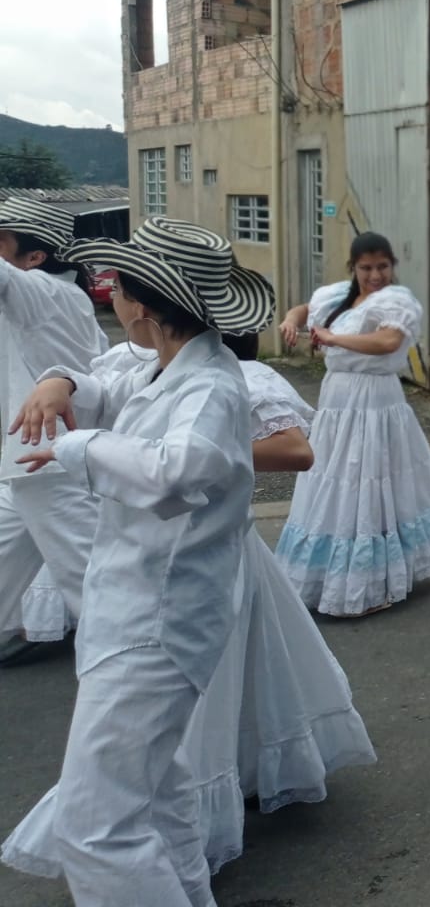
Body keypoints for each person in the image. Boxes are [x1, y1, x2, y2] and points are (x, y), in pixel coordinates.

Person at [4, 329, 376, 878]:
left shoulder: (231, 380)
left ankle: (172, 826)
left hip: (213, 559)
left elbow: (295, 449)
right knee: (192, 705)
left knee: (215, 688)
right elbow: (102, 387)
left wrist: (208, 451)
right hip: (165, 559)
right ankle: (172, 831)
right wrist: (58, 380)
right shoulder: (152, 370)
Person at [4, 217, 269, 905]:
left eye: (115, 287)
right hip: (137, 613)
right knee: (155, 799)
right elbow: (106, 386)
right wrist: (62, 382)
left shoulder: (208, 388)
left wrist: (76, 447)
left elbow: (173, 470)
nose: (107, 296)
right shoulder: (167, 365)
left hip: (157, 625)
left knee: (96, 828)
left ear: (141, 303)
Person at [275, 232, 430, 616]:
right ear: (354, 268)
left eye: (382, 266)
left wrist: (334, 338)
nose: (375, 274)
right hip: (337, 401)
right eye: (366, 268)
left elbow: (388, 342)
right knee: (335, 482)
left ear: (392, 266)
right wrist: (290, 320)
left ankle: (377, 580)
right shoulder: (335, 297)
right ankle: (334, 571)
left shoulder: (397, 300)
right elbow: (303, 308)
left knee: (371, 482)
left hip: (375, 400)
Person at [0, 199, 108, 668]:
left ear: (35, 257)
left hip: (49, 464)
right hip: (32, 463)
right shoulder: (70, 296)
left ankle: (138, 671)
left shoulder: (40, 291)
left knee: (95, 584)